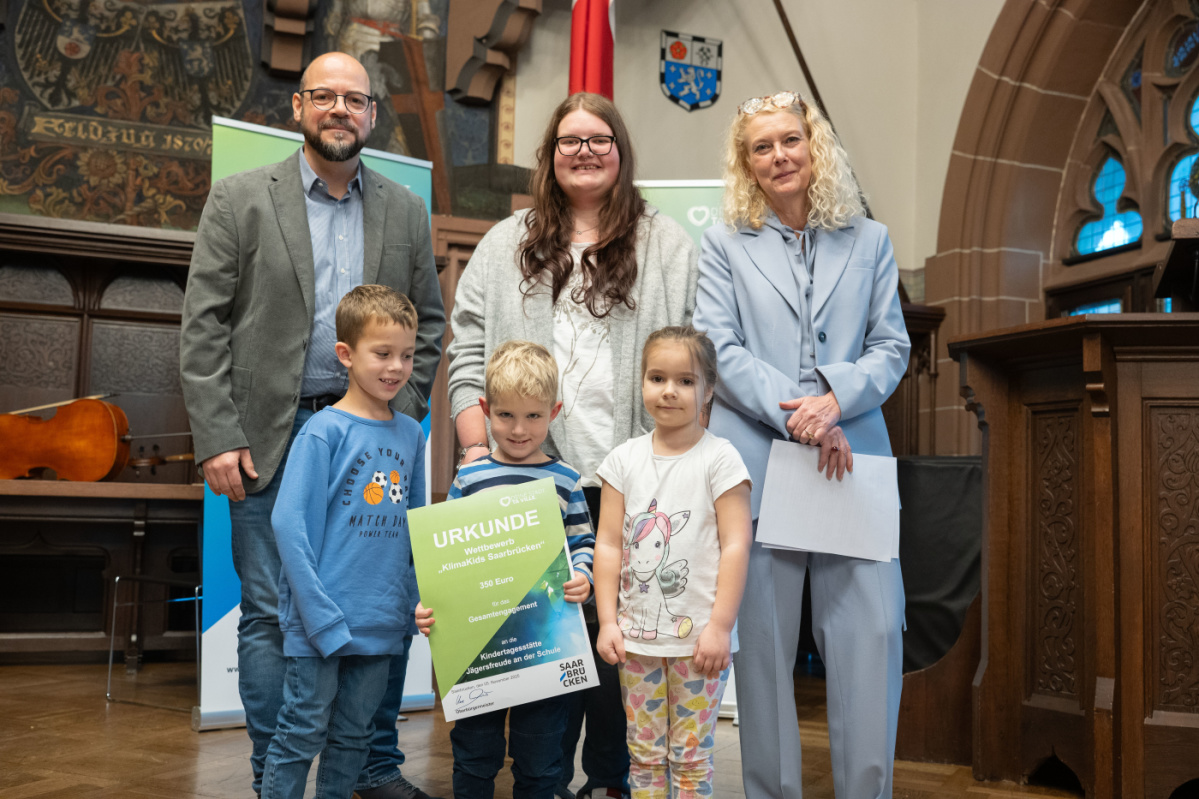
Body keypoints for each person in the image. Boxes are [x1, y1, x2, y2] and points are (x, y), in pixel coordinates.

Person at [179, 51, 445, 799]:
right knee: (269, 610)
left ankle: (368, 769)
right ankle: (276, 773)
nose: (339, 110)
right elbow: (203, 327)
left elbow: (426, 324)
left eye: (354, 100)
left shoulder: (402, 208)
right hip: (265, 434)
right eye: (324, 96)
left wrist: (403, 410)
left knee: (376, 603)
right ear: (297, 107)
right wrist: (216, 432)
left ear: (370, 114)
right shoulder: (239, 199)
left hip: (372, 437)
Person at [446, 91, 698, 799]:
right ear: (549, 157)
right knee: (534, 648)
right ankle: (544, 783)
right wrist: (477, 446)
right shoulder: (505, 243)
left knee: (612, 647)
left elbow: (691, 356)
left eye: (598, 139)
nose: (583, 150)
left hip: (626, 479)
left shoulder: (666, 244)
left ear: (620, 151)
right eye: (568, 140)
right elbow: (466, 347)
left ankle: (609, 782)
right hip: (523, 474)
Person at [692, 90, 911, 799]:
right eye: (762, 146)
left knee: (872, 636)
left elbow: (890, 345)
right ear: (745, 162)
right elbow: (716, 347)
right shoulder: (723, 242)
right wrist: (796, 413)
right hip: (756, 459)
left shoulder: (870, 240)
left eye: (791, 140)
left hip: (852, 462)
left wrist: (834, 398)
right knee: (760, 652)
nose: (780, 155)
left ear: (814, 147)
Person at [262, 286, 426, 798]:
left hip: (383, 623)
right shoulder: (321, 432)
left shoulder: (411, 435)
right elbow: (290, 528)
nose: (396, 367)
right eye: (382, 353)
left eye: (406, 354)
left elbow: (417, 525)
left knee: (354, 738)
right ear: (346, 354)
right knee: (300, 733)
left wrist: (413, 603)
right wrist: (320, 617)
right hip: (321, 623)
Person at [415, 340, 596, 799]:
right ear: (484, 409)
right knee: (474, 758)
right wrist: (429, 602)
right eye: (506, 416)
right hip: (479, 650)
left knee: (541, 762)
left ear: (554, 412)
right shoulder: (468, 479)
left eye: (533, 416)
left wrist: (584, 577)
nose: (519, 429)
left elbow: (582, 543)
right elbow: (444, 555)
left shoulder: (567, 481)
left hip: (544, 646)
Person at [591, 326, 752, 799]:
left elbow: (738, 545)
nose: (669, 391)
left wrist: (720, 626)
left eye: (685, 380)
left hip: (701, 644)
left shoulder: (721, 459)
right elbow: (609, 545)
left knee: (691, 759)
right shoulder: (622, 460)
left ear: (708, 389)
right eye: (657, 377)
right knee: (641, 755)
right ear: (641, 382)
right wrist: (607, 622)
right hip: (636, 641)